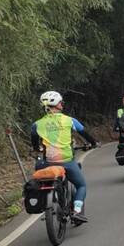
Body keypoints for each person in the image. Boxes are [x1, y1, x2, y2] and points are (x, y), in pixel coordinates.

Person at [31, 91, 98, 223]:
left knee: (40, 173)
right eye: (61, 102)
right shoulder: (69, 120)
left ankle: (46, 203)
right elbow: (84, 133)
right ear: (56, 105)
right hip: (66, 162)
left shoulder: (37, 124)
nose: (62, 104)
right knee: (81, 185)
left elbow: (34, 143)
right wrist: (94, 143)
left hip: (47, 163)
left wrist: (37, 149)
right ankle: (77, 211)